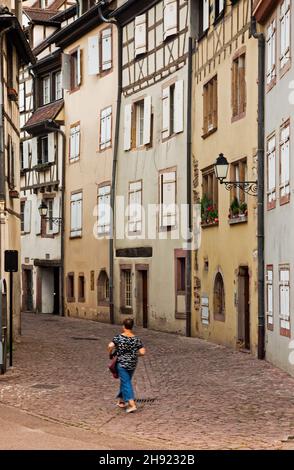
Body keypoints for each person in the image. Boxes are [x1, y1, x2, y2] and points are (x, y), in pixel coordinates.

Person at [108, 318, 146, 413]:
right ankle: (121, 401)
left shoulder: (118, 338)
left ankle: (132, 404)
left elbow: (110, 346)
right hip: (132, 363)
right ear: (132, 327)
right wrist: (134, 354)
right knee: (125, 380)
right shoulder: (136, 339)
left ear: (123, 326)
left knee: (126, 382)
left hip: (122, 363)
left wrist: (110, 353)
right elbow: (142, 352)